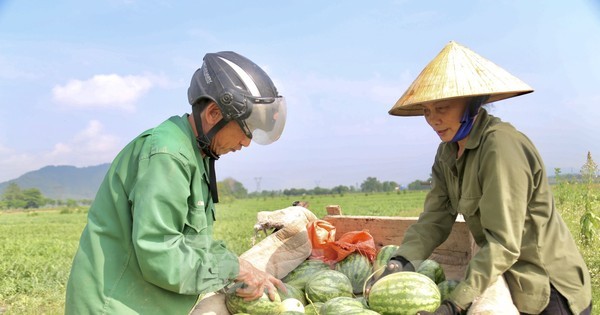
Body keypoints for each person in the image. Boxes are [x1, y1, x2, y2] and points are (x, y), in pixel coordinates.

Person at [65, 51, 287, 314]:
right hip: (116, 306)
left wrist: (238, 265)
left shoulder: (196, 153)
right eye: (246, 129)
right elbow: (160, 254)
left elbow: (191, 240)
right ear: (214, 113)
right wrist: (233, 269)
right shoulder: (167, 155)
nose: (246, 143)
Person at [381, 41, 592, 314]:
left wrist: (454, 304)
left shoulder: (500, 146)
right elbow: (435, 217)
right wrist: (401, 261)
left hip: (547, 287)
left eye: (442, 108)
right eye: (426, 110)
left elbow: (504, 242)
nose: (432, 119)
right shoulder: (447, 154)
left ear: (472, 103)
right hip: (505, 276)